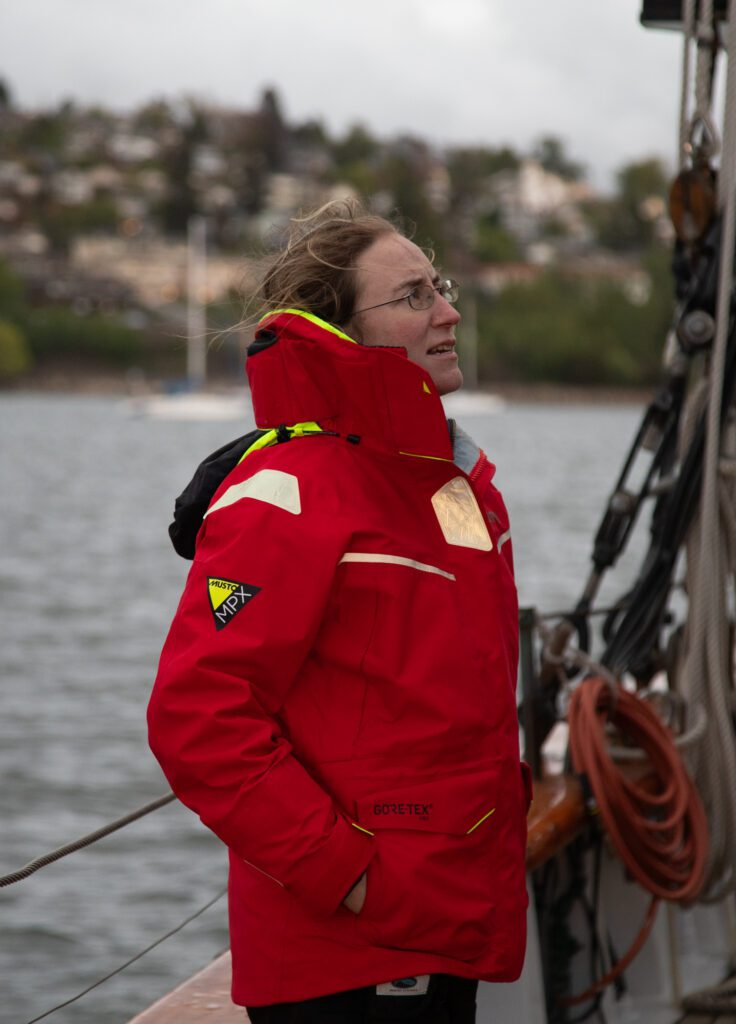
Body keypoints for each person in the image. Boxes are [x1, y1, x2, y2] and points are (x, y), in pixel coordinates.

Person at [147, 200, 531, 1024]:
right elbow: (197, 717)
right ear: (340, 331)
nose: (448, 311)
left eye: (442, 287)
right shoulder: (285, 495)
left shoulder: (451, 491)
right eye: (414, 296)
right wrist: (347, 878)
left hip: (443, 920)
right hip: (346, 954)